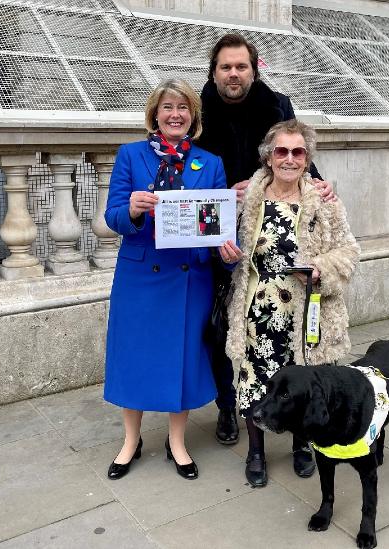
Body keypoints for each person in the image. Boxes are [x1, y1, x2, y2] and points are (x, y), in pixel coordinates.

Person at [197, 32, 334, 478]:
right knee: (222, 329)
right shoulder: (198, 112)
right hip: (220, 236)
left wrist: (321, 184)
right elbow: (186, 177)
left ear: (255, 69)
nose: (233, 74)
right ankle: (227, 406)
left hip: (270, 234)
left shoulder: (277, 106)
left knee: (289, 341)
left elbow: (297, 157)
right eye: (225, 67)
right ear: (214, 71)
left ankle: (297, 429)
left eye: (241, 66)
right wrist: (224, 194)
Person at [217, 120, 360, 487]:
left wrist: (320, 269)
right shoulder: (246, 198)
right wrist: (225, 253)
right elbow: (217, 244)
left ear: (307, 158)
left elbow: (349, 252)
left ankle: (302, 445)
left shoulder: (325, 202)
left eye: (298, 152)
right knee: (254, 381)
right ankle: (256, 452)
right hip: (256, 312)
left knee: (305, 382)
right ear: (268, 156)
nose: (290, 159)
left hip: (306, 314)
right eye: (282, 151)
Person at [102, 79, 228, 481]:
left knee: (183, 357)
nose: (176, 114)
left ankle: (177, 441)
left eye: (184, 107)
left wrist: (226, 249)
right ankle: (131, 440)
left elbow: (218, 221)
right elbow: (113, 217)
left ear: (194, 115)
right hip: (140, 275)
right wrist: (134, 210)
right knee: (134, 355)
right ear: (154, 114)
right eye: (168, 107)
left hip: (189, 278)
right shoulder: (131, 155)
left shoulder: (209, 163)